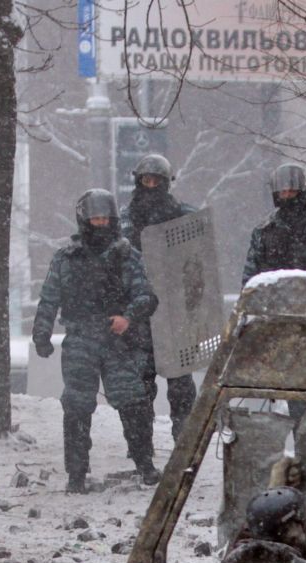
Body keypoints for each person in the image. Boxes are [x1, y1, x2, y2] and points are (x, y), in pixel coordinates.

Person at [32, 189, 160, 490]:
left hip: (117, 341)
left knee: (133, 403)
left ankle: (145, 464)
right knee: (76, 407)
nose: (100, 224)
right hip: (80, 340)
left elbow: (146, 296)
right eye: (95, 218)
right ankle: (76, 475)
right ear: (84, 220)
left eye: (105, 218)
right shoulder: (66, 258)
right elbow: (49, 298)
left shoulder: (127, 256)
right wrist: (42, 333)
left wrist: (127, 317)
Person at [124, 153, 200, 438]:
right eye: (147, 179)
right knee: (141, 389)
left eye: (157, 180)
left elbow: (198, 268)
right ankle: (143, 451)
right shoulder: (126, 220)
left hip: (175, 314)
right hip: (140, 316)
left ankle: (183, 445)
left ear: (167, 183)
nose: (151, 184)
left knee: (181, 388)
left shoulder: (185, 217)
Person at [242, 162, 306, 283]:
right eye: (283, 192)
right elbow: (251, 275)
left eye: (292, 191)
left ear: (303, 191)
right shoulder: (264, 231)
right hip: (274, 299)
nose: (287, 196)